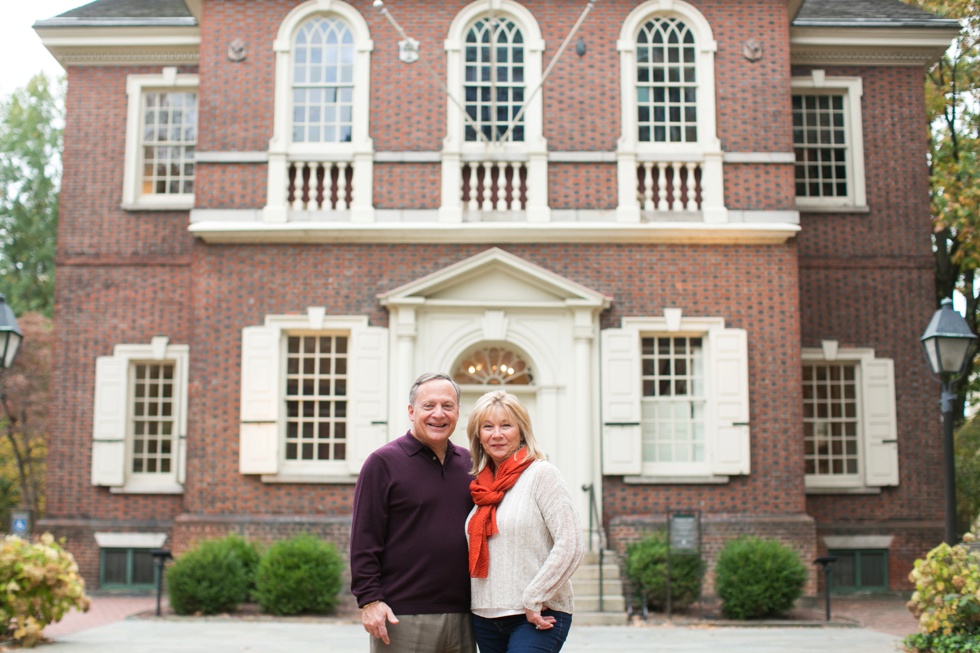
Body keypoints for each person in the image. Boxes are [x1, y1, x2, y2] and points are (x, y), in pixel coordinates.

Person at [350, 372, 477, 653]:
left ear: (457, 412)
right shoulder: (382, 463)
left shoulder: (471, 464)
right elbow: (363, 540)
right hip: (402, 615)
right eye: (428, 405)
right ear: (411, 411)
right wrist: (370, 601)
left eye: (447, 406)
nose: (438, 414)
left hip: (465, 614)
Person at [465, 390, 585, 653]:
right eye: (488, 427)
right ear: (478, 436)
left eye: (506, 425)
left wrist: (535, 596)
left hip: (537, 614)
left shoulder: (542, 474)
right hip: (485, 617)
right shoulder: (480, 487)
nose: (497, 434)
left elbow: (572, 543)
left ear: (521, 431)